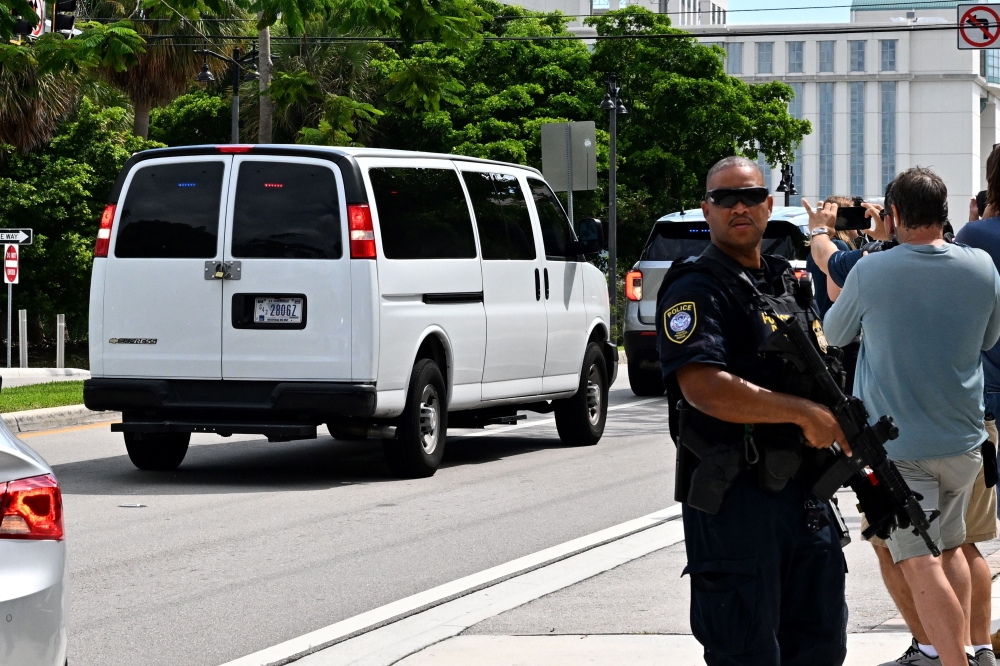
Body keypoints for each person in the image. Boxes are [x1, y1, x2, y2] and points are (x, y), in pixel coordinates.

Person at [658, 155, 849, 666]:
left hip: (805, 494)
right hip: (737, 500)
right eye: (724, 199)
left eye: (749, 197)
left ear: (769, 205)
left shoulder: (785, 280)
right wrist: (803, 414)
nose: (737, 207)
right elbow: (703, 385)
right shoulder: (696, 285)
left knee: (821, 644)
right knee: (747, 651)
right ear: (707, 209)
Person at [823, 167, 1000, 666]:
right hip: (964, 439)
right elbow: (989, 340)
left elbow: (834, 336)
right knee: (952, 547)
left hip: (900, 448)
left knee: (919, 561)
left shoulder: (873, 270)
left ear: (894, 215)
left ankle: (949, 660)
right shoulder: (982, 266)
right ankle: (964, 649)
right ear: (945, 212)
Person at [806, 196, 857, 317]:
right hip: (837, 321)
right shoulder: (838, 246)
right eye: (853, 214)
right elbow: (836, 294)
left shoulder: (818, 248)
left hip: (821, 316)